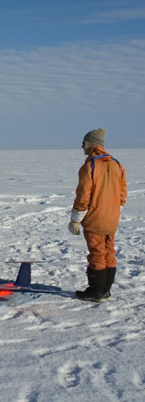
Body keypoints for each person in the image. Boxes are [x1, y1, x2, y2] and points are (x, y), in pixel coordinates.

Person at [68, 128, 127, 302]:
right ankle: (105, 290)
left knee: (97, 253)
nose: (82, 147)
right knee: (109, 252)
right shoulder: (118, 164)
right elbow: (122, 194)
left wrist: (75, 219)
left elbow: (83, 195)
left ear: (91, 144)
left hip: (95, 219)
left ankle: (95, 291)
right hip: (112, 218)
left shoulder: (90, 166)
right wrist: (114, 209)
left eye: (84, 143)